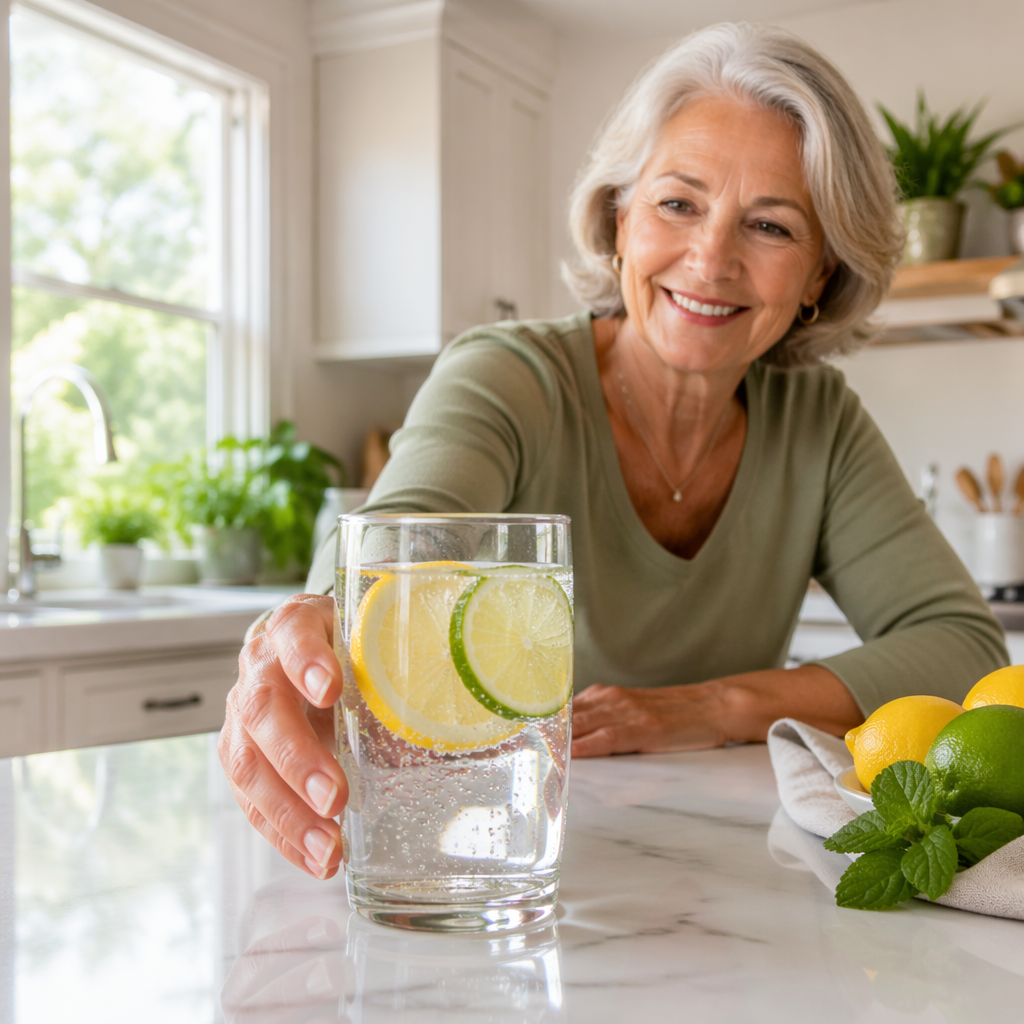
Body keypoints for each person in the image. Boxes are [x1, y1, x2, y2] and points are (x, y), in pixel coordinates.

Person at [218, 23, 1008, 880]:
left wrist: (709, 706)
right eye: (678, 203)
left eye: (772, 226)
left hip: (727, 868)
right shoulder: (510, 376)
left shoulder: (819, 421)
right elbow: (396, 549)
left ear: (820, 274)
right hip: (500, 851)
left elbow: (962, 642)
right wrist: (317, 625)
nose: (710, 259)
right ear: (619, 218)